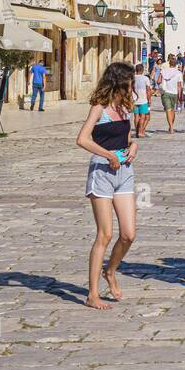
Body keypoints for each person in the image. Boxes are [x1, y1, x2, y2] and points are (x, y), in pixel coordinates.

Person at [75, 61, 139, 310]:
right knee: (105, 234)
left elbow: (128, 138)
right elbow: (82, 139)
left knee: (128, 234)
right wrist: (108, 154)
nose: (132, 85)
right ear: (120, 82)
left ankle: (110, 271)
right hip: (102, 171)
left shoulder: (125, 108)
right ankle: (92, 294)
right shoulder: (98, 108)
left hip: (125, 172)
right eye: (129, 81)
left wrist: (133, 146)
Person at [158, 55, 183, 133]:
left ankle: (171, 127)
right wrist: (180, 97)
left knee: (168, 110)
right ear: (176, 65)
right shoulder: (179, 73)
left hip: (165, 92)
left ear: (169, 64)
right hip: (175, 93)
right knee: (172, 110)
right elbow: (179, 86)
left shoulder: (163, 71)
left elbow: (158, 81)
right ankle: (171, 126)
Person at [132, 64, 153, 138]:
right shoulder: (145, 78)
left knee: (136, 116)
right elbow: (148, 90)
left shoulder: (132, 78)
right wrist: (149, 99)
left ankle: (137, 131)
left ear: (136, 70)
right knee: (143, 116)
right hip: (143, 99)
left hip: (134, 100)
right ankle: (140, 132)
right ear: (142, 70)